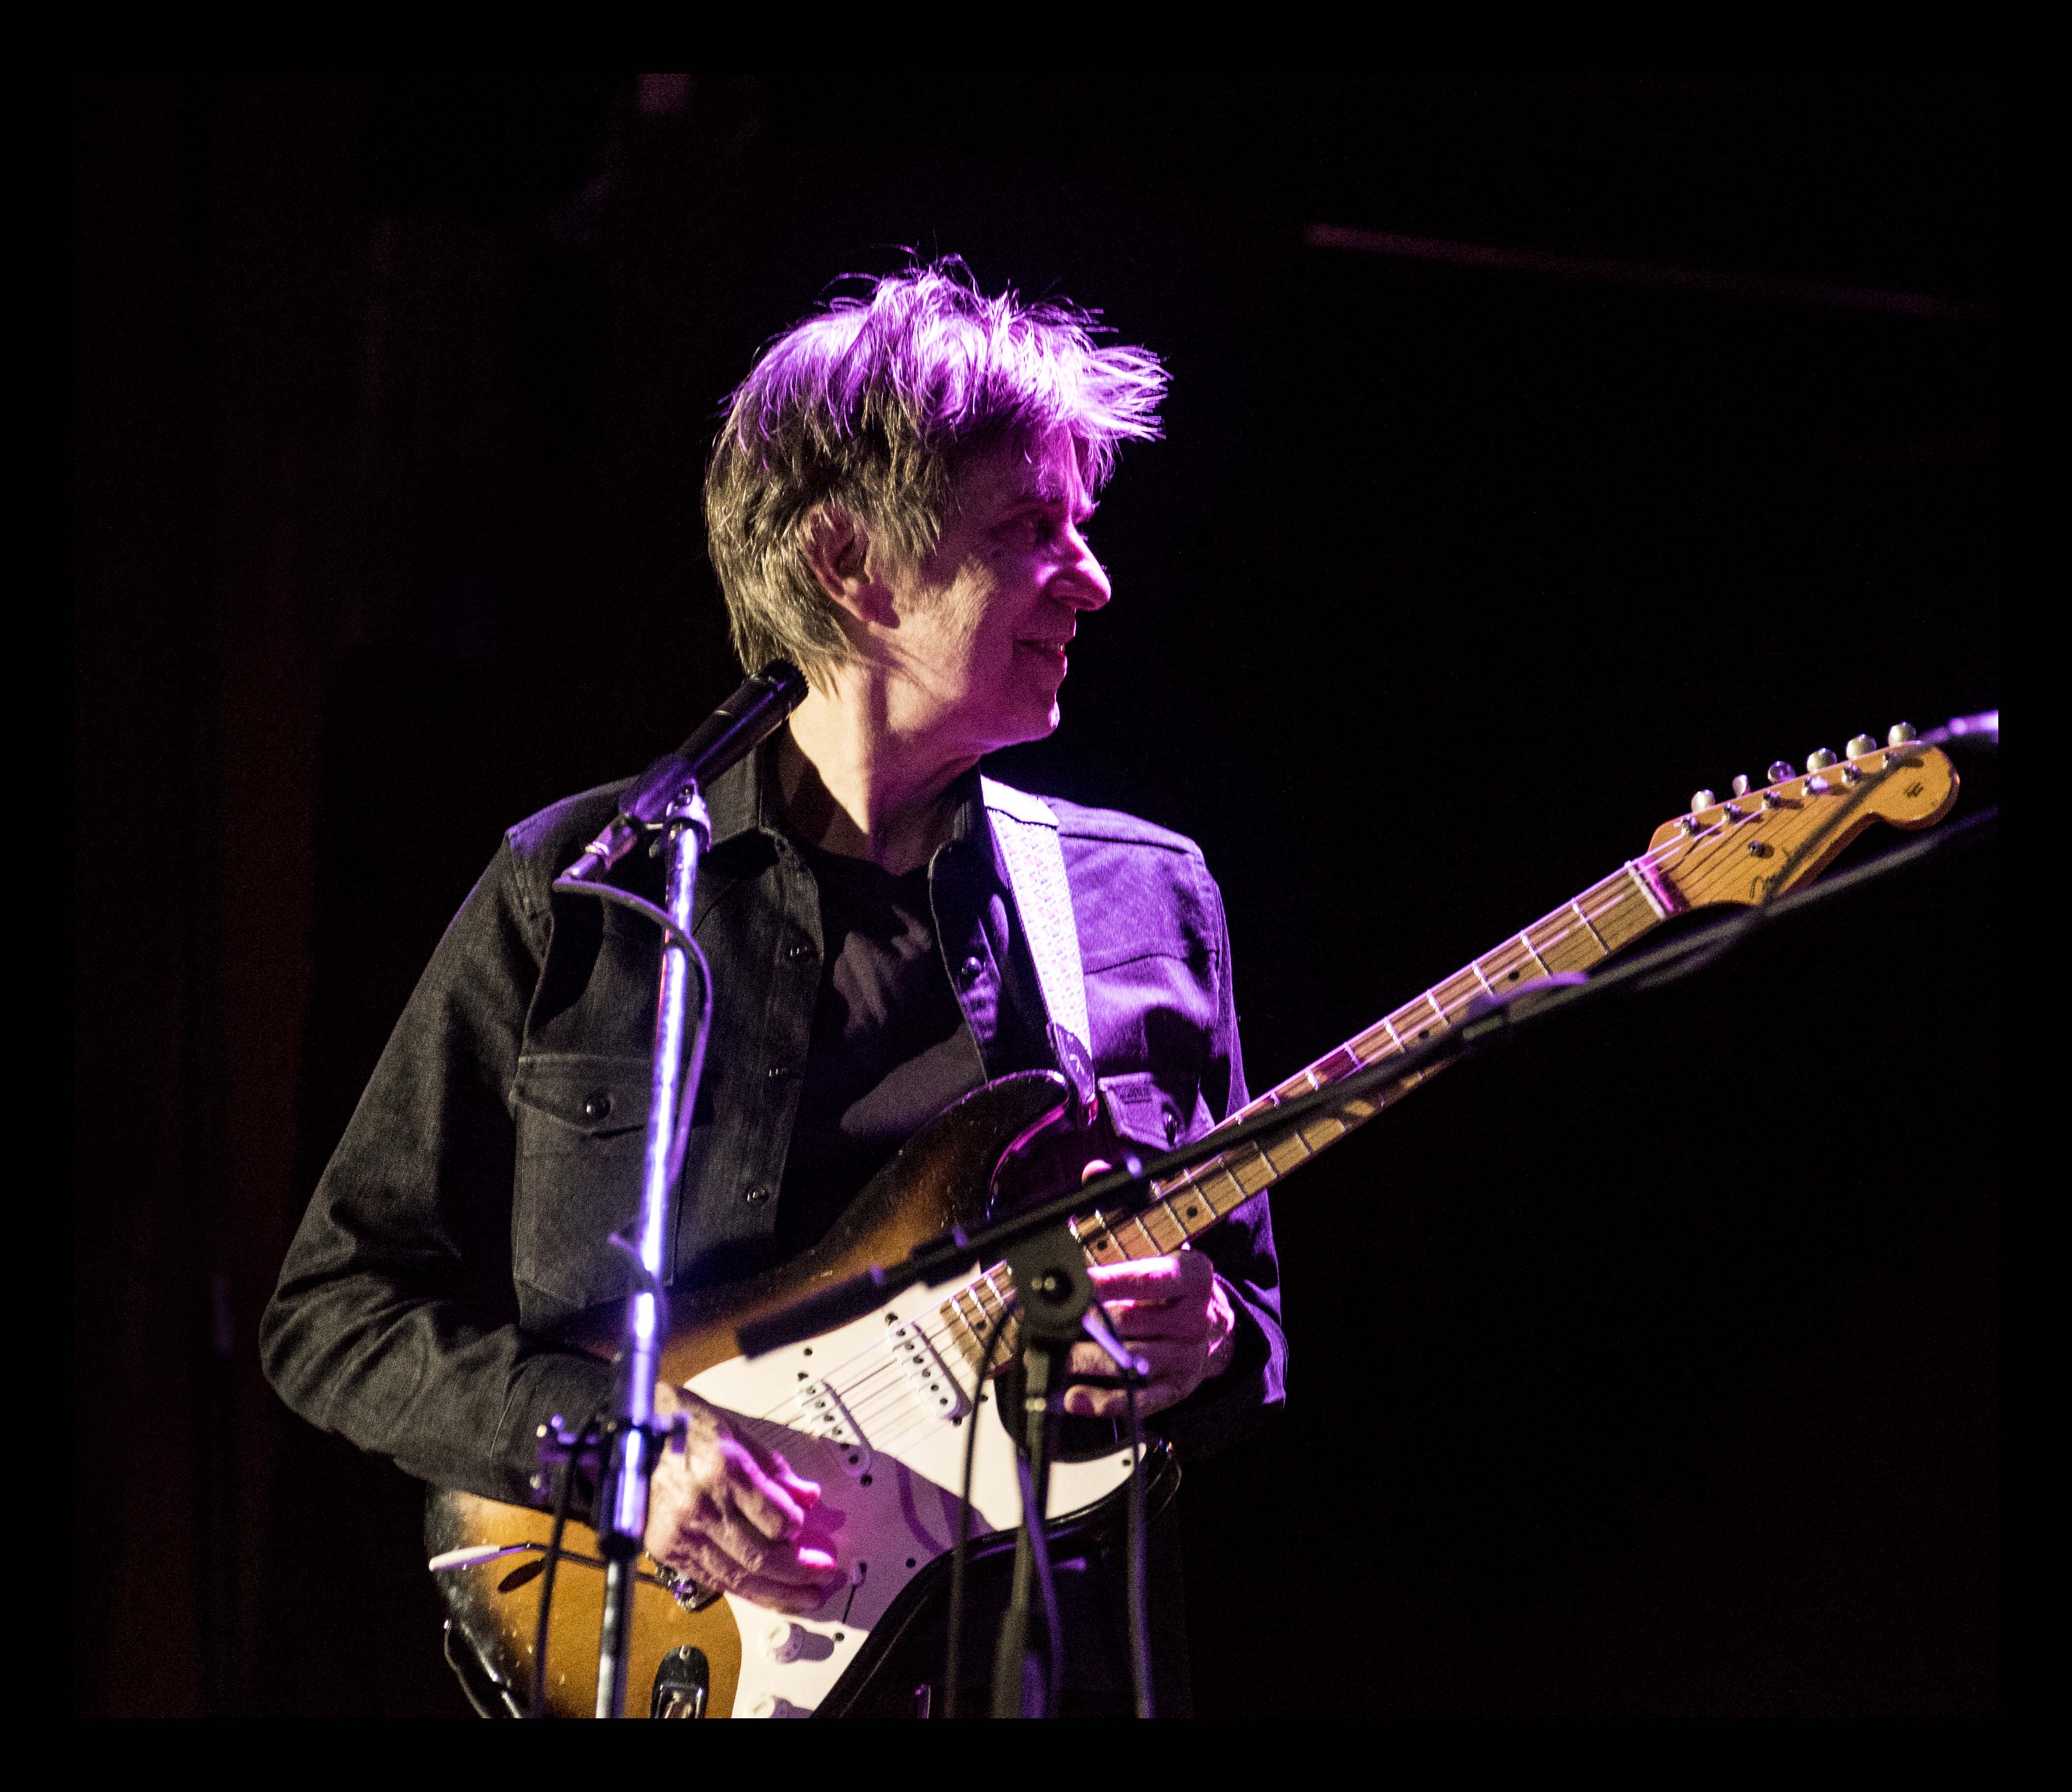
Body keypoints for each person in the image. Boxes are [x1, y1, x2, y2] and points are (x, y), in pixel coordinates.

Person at [261, 262, 1285, 1716]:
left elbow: (1243, 1321)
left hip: (1031, 1669)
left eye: (1086, 527)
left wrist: (1209, 1338)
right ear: (848, 561)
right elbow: (332, 1315)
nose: (1093, 576)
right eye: (1025, 529)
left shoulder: (1140, 902)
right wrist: (616, 1452)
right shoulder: (589, 889)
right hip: (662, 1658)